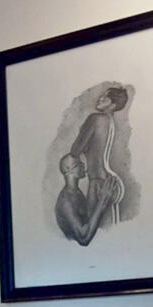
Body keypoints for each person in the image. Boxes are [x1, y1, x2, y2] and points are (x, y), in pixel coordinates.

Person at [54, 84, 130, 246]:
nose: (100, 99)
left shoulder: (96, 118)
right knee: (107, 231)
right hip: (111, 178)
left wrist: (84, 134)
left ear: (113, 105)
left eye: (105, 97)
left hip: (99, 181)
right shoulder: (109, 122)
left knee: (94, 232)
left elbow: (75, 150)